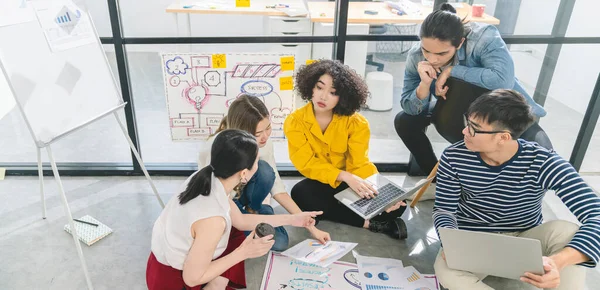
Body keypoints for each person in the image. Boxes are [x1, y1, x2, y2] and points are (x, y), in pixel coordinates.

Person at [432, 90, 600, 290]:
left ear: (503, 137)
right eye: (467, 122)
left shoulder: (542, 162)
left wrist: (558, 261)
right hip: (475, 241)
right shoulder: (454, 157)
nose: (464, 132)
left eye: (474, 128)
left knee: (567, 231)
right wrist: (452, 242)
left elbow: (596, 214)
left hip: (525, 240)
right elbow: (444, 210)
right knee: (444, 270)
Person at [394, 4, 553, 199]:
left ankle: (510, 202)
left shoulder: (483, 37)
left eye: (442, 54)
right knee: (404, 121)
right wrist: (424, 85)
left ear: (459, 43)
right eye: (427, 50)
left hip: (504, 110)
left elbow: (502, 79)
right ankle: (438, 184)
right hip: (454, 112)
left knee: (544, 151)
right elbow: (410, 108)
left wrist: (452, 71)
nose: (432, 59)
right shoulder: (416, 55)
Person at [147, 129, 321, 290]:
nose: (258, 166)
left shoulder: (207, 177)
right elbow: (191, 279)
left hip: (161, 263)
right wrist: (243, 252)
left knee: (234, 231)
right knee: (235, 240)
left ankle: (217, 282)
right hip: (173, 281)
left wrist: (292, 219)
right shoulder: (213, 219)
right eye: (256, 162)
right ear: (244, 173)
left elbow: (241, 221)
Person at [284, 59, 408, 240]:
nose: (323, 96)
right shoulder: (295, 122)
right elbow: (306, 163)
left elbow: (360, 163)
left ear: (343, 97)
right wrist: (343, 176)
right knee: (300, 194)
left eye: (333, 92)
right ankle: (370, 223)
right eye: (319, 87)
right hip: (323, 182)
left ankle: (328, 212)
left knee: (399, 205)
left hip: (352, 182)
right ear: (310, 86)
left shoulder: (357, 123)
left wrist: (379, 192)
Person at [198, 95, 331, 251]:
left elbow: (276, 187)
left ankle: (255, 209)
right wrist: (290, 219)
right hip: (225, 205)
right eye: (257, 133)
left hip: (246, 199)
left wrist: (312, 228)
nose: (265, 137)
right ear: (242, 132)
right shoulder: (215, 149)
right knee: (243, 237)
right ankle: (251, 219)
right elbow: (214, 199)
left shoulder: (264, 144)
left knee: (265, 172)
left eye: (268, 128)